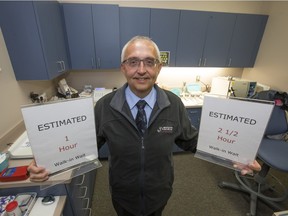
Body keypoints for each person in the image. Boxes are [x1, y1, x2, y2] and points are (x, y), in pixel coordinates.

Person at [28, 36, 261, 216]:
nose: (141, 70)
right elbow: (82, 147)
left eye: (149, 62)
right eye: (133, 62)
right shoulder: (105, 106)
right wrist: (48, 163)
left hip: (159, 191)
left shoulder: (173, 104)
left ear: (158, 68)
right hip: (122, 193)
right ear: (123, 68)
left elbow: (191, 141)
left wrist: (232, 156)